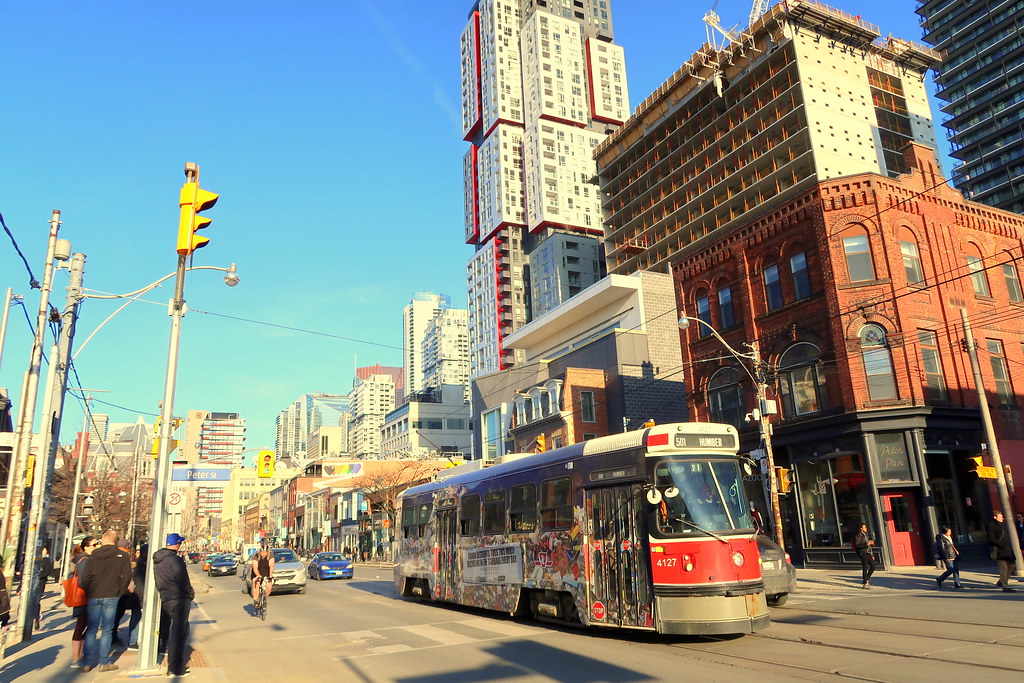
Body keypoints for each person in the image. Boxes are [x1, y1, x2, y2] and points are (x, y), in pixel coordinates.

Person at [78, 530, 132, 672]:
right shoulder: (123, 556)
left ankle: (87, 662)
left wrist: (90, 590)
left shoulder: (93, 556)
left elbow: (84, 579)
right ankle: (104, 662)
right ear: (116, 541)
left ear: (103, 539)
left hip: (94, 595)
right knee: (107, 630)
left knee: (91, 630)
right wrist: (120, 591)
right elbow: (127, 577)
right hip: (112, 595)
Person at [153, 533, 194, 678]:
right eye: (180, 543)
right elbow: (182, 579)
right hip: (179, 598)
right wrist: (190, 593)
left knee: (176, 630)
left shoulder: (158, 560)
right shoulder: (175, 560)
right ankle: (175, 667)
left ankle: (174, 664)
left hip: (166, 598)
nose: (180, 545)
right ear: (176, 544)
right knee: (179, 633)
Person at [68, 536, 96, 669]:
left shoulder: (83, 559)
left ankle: (78, 656)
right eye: (94, 545)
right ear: (86, 547)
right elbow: (82, 581)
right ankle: (76, 657)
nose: (96, 547)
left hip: (84, 598)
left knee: (84, 625)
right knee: (82, 625)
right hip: (84, 597)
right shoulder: (85, 560)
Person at [112, 542, 142, 649]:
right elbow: (127, 575)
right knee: (126, 614)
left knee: (116, 615)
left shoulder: (113, 555)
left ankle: (113, 636)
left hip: (116, 590)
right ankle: (131, 641)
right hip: (125, 591)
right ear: (127, 547)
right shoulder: (124, 556)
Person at [987, 511, 1017, 592]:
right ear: (995, 517)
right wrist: (1000, 544)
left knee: (1011, 566)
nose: (1002, 518)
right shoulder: (991, 525)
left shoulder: (1002, 525)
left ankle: (1001, 581)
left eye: (1002, 517)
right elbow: (991, 538)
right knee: (1003, 568)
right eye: (1000, 517)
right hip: (999, 550)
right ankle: (1005, 586)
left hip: (1007, 549)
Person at [934, 525, 962, 590]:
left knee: (956, 569)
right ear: (945, 532)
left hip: (953, 555)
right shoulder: (941, 538)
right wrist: (946, 557)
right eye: (949, 532)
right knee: (951, 569)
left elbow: (951, 545)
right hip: (947, 556)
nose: (950, 533)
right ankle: (940, 579)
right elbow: (942, 548)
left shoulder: (949, 537)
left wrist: (956, 551)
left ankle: (957, 584)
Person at [34, 546, 54, 629]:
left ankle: (36, 618)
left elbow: (48, 571)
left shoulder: (46, 560)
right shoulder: (33, 559)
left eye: (46, 551)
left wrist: (39, 575)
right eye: (43, 550)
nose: (45, 552)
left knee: (36, 601)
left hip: (40, 584)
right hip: (29, 585)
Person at [853, 523, 876, 589]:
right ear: (861, 528)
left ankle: (866, 579)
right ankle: (865, 583)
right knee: (865, 567)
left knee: (873, 566)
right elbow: (858, 545)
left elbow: (868, 546)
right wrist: (867, 544)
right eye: (864, 527)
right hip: (862, 553)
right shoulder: (858, 535)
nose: (866, 529)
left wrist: (872, 554)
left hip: (868, 552)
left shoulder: (865, 535)